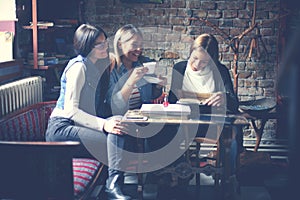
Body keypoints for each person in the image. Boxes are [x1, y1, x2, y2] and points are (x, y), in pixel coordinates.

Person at [45, 24, 131, 200]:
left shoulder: (97, 67)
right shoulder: (78, 67)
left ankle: (113, 184)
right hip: (62, 129)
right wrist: (104, 124)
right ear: (85, 46)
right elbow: (71, 111)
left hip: (80, 127)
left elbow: (101, 107)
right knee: (113, 138)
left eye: (105, 42)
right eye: (98, 44)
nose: (105, 47)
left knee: (118, 124)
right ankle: (113, 186)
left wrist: (116, 118)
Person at [168, 33, 243, 173]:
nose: (197, 65)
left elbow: (234, 104)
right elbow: (171, 101)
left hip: (212, 124)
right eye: (194, 58)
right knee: (168, 132)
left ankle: (229, 177)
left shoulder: (220, 71)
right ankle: (176, 176)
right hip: (185, 123)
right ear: (190, 52)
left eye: (204, 62)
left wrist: (224, 97)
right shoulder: (179, 68)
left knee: (233, 134)